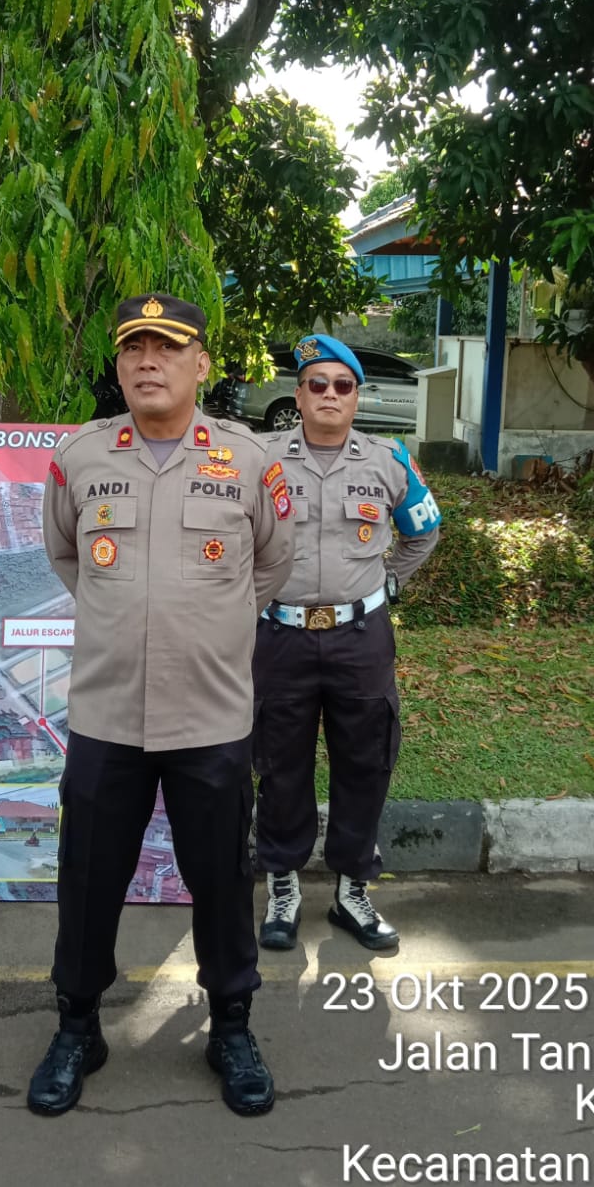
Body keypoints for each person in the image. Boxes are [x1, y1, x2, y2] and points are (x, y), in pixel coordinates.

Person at [29, 292, 296, 1118]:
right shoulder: (79, 457)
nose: (149, 361)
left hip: (209, 716)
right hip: (108, 716)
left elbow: (272, 565)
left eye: (168, 347)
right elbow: (67, 555)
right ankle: (78, 1028)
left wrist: (204, 623)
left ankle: (232, 1027)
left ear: (201, 363)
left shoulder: (248, 461)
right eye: (134, 348)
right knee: (88, 880)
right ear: (117, 365)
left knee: (221, 880)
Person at [253, 334, 441, 953]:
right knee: (280, 763)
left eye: (342, 385)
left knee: (365, 762)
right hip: (279, 636)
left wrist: (390, 583)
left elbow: (424, 531)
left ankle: (352, 890)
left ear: (358, 395)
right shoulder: (261, 458)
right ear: (299, 394)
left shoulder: (389, 460)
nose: (329, 394)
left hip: (361, 638)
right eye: (317, 383)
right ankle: (283, 885)